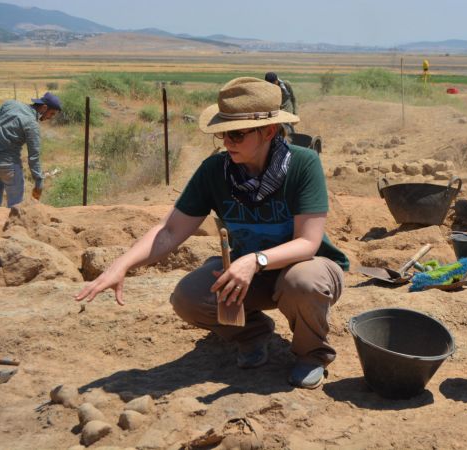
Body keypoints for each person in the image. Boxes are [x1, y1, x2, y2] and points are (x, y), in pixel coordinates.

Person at [75, 77, 348, 389]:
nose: (227, 142)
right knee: (188, 297)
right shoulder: (215, 171)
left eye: (236, 134)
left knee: (301, 282)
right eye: (222, 134)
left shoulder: (303, 164)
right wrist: (121, 265)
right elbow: (170, 230)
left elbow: (308, 243)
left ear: (269, 131)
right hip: (249, 274)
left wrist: (254, 261)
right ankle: (253, 334)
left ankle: (311, 354)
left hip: (307, 269)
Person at [0, 92, 61, 207]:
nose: (50, 118)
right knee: (15, 207)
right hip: (8, 165)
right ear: (44, 108)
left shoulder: (10, 104)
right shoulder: (31, 124)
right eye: (51, 114)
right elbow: (34, 157)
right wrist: (39, 182)